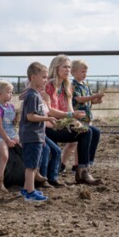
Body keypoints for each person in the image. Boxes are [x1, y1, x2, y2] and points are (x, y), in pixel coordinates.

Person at [45, 55, 102, 185]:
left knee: (94, 131)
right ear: (56, 68)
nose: (67, 70)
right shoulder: (48, 86)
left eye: (69, 67)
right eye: (64, 67)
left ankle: (84, 168)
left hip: (63, 123)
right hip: (50, 125)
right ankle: (82, 171)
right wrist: (71, 116)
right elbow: (49, 111)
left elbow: (70, 109)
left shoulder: (67, 86)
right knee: (86, 132)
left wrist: (75, 119)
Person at [19, 62, 57, 202]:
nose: (46, 80)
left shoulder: (35, 94)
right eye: (44, 77)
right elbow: (30, 116)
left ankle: (26, 188)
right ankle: (30, 192)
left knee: (33, 164)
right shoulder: (33, 96)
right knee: (31, 166)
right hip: (32, 135)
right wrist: (47, 118)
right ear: (33, 77)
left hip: (36, 135)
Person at [71, 59, 104, 168]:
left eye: (85, 72)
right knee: (79, 142)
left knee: (84, 140)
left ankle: (83, 163)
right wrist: (94, 96)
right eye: (82, 72)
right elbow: (79, 99)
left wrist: (97, 100)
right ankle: (78, 164)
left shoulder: (85, 85)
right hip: (78, 117)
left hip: (86, 118)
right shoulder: (73, 86)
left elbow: (89, 100)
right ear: (74, 72)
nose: (85, 74)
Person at [0, 80, 17, 191]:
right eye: (9, 92)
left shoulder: (12, 107)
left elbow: (12, 123)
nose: (11, 94)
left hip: (12, 132)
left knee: (27, 146)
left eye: (11, 92)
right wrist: (8, 140)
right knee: (4, 155)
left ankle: (33, 174)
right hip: (0, 135)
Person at [39, 89, 65, 188]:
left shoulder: (44, 104)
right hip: (36, 133)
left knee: (57, 150)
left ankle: (53, 178)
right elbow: (43, 121)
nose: (43, 92)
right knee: (46, 150)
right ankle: (43, 178)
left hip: (42, 133)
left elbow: (46, 122)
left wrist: (59, 124)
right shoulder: (34, 101)